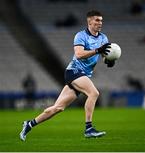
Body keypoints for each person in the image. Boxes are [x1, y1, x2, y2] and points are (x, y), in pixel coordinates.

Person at [20, 10, 115, 141]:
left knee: (58, 108)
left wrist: (110, 61)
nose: (100, 23)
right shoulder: (80, 36)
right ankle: (89, 128)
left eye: (101, 20)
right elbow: (80, 54)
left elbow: (105, 55)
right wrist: (98, 50)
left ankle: (29, 124)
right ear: (89, 22)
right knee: (94, 93)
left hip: (83, 74)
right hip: (74, 71)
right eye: (97, 20)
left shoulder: (103, 38)